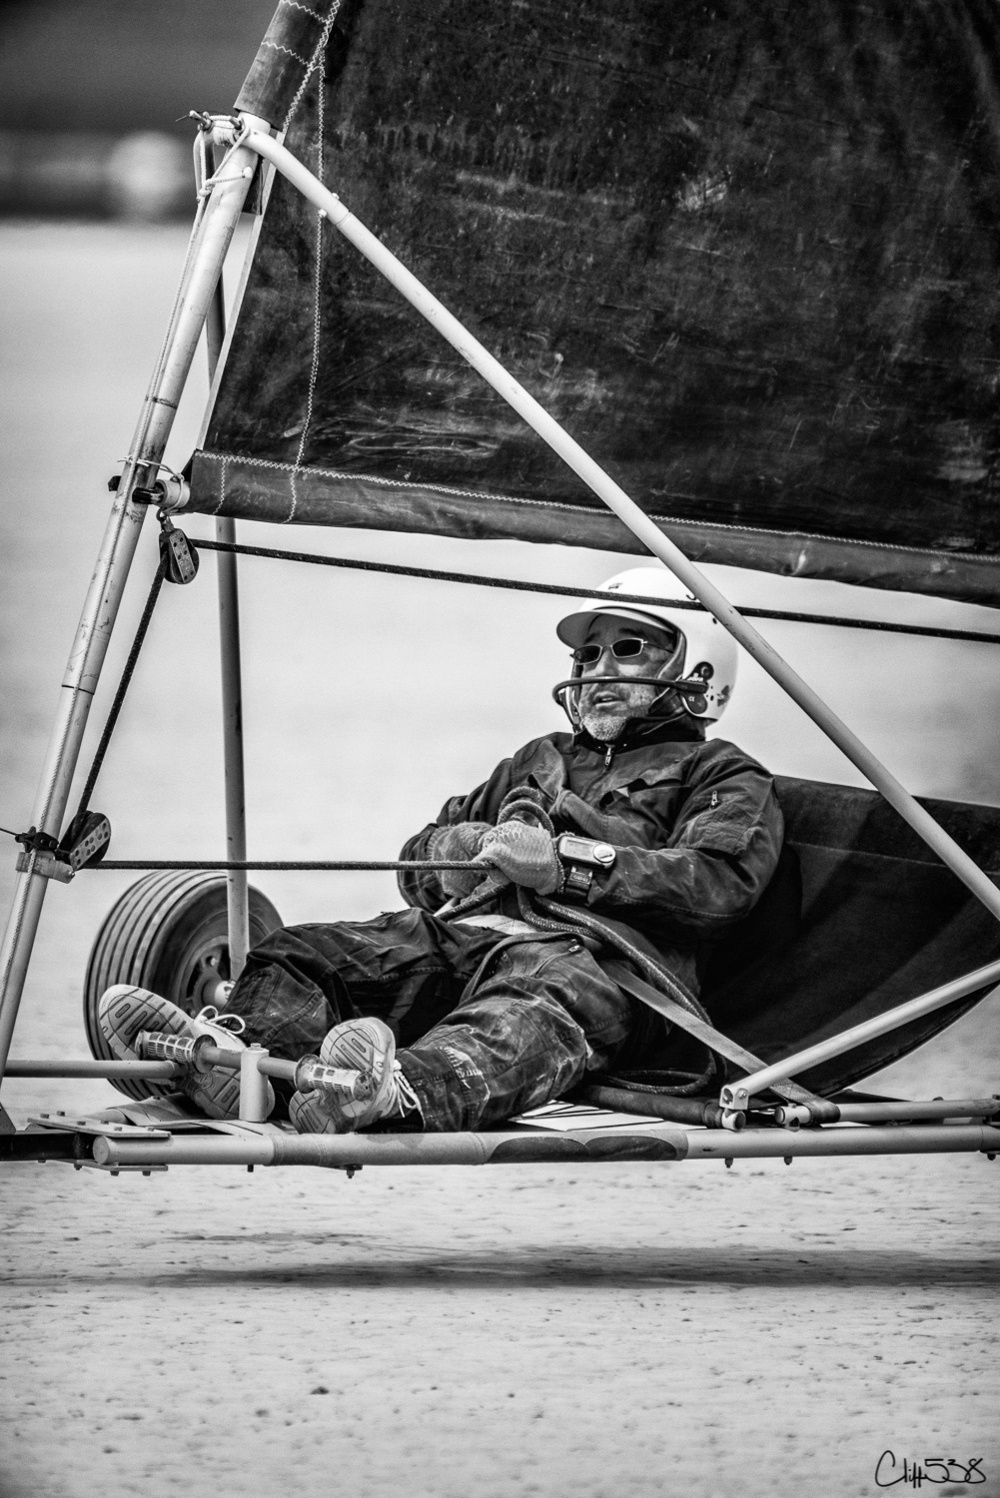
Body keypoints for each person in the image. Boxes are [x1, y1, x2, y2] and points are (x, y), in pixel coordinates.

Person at [99, 567, 784, 1135]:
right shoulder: (535, 760)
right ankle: (242, 1065)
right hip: (462, 939)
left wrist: (562, 864)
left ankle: (386, 1093)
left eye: (627, 649)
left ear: (694, 668)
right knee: (301, 952)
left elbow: (717, 883)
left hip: (592, 968)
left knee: (520, 1018)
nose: (598, 670)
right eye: (587, 655)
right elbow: (417, 859)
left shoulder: (722, 773)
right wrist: (450, 850)